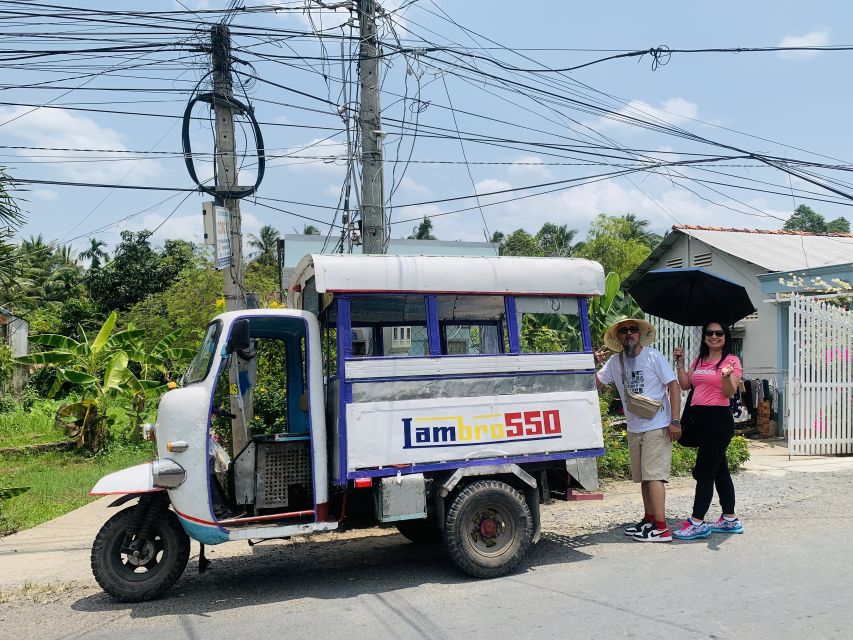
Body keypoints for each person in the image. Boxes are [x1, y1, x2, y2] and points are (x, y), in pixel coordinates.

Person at [595, 317, 682, 542]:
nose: (629, 333)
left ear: (640, 334)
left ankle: (661, 527)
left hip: (657, 424)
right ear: (618, 337)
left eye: (633, 329)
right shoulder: (616, 362)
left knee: (654, 477)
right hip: (635, 427)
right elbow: (596, 384)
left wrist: (675, 420)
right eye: (624, 331)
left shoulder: (653, 356)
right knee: (644, 477)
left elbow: (673, 385)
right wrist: (591, 363)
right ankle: (649, 519)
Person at [672, 321, 744, 540]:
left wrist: (725, 375)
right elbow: (686, 385)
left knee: (703, 472)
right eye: (710, 333)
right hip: (699, 419)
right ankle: (729, 519)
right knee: (719, 470)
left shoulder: (731, 361)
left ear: (725, 336)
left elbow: (729, 392)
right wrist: (681, 363)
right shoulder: (700, 360)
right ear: (704, 337)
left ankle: (697, 522)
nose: (714, 336)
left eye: (719, 333)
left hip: (718, 420)